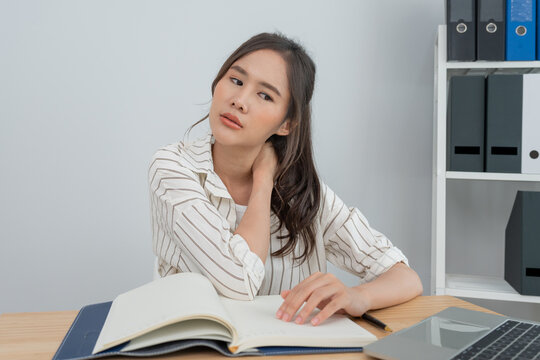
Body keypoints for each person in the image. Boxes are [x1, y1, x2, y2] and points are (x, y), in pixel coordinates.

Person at [148, 32, 423, 327]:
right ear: (217, 83)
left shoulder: (305, 195)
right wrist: (264, 180)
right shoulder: (172, 169)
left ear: (287, 123)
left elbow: (406, 278)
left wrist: (359, 297)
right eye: (236, 81)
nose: (239, 101)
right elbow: (239, 281)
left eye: (265, 95)